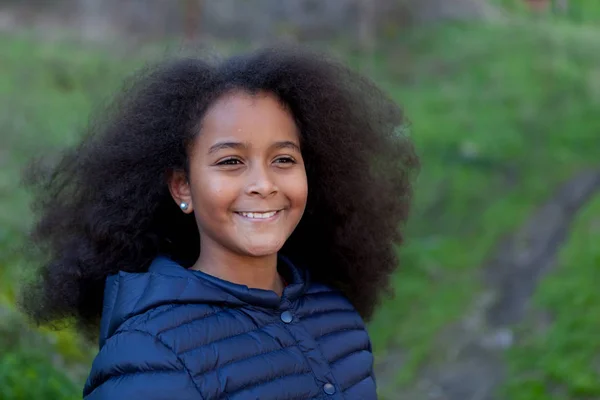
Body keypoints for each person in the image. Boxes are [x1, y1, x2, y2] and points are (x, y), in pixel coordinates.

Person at [20, 45, 418, 399]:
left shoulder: (337, 317)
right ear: (182, 188)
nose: (263, 184)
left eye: (283, 159)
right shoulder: (149, 355)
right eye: (231, 161)